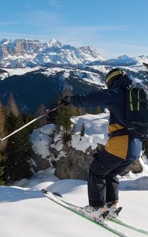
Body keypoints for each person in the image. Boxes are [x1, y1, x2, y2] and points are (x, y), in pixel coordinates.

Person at [61, 68, 143, 220]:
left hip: (121, 144)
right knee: (110, 173)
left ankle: (96, 208)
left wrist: (70, 100)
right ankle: (111, 207)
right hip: (135, 147)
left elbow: (90, 100)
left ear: (112, 81)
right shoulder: (136, 95)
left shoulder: (117, 93)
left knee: (96, 171)